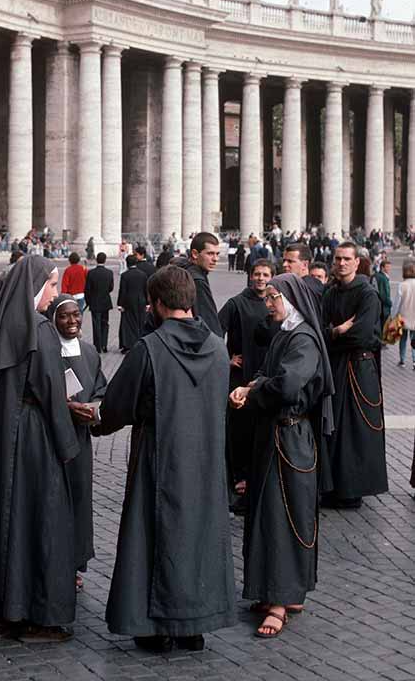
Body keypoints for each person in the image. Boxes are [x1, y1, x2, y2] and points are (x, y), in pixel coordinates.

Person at [98, 265, 237, 651]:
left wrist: (93, 421)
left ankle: (155, 629)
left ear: (157, 304)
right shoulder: (217, 348)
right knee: (200, 537)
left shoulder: (150, 348)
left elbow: (117, 406)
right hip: (207, 461)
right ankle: (193, 626)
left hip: (159, 457)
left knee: (152, 538)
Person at [0, 256, 80, 643]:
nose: (57, 294)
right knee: (37, 523)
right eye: (54, 285)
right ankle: (32, 614)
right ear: (36, 286)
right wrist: (68, 445)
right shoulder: (39, 332)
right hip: (31, 442)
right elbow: (51, 395)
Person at [229, 274, 334, 638]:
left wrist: (254, 393)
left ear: (289, 300)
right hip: (274, 435)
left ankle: (280, 601)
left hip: (290, 438)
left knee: (282, 515)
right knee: (266, 511)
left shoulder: (302, 339)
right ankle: (280, 591)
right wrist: (250, 385)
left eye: (273, 297)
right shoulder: (284, 334)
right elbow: (268, 374)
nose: (268, 303)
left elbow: (288, 384)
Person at [321, 242, 388, 509]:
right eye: (337, 258)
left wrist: (333, 335)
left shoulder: (368, 294)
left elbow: (362, 335)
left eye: (347, 259)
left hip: (359, 369)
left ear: (356, 263)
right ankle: (334, 486)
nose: (341, 263)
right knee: (335, 425)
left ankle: (353, 489)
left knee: (355, 430)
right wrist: (336, 332)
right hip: (337, 366)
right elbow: (322, 329)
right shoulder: (330, 292)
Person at [47, 295, 107, 591]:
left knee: (80, 502)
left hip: (81, 439)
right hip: (52, 440)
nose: (72, 321)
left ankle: (73, 563)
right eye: (64, 316)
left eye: (76, 315)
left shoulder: (89, 351)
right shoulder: (46, 352)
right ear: (53, 320)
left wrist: (94, 408)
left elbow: (100, 387)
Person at [218, 260, 277, 510]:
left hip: (266, 377)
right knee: (239, 431)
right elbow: (213, 333)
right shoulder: (235, 304)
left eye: (265, 274)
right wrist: (226, 358)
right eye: (257, 274)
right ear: (250, 276)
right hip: (240, 377)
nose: (261, 278)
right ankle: (239, 479)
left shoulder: (276, 304)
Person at [185, 232, 222, 336]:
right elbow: (208, 321)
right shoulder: (197, 281)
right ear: (195, 254)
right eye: (210, 254)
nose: (215, 259)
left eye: (217, 254)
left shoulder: (185, 272)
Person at [84, 252, 114, 353]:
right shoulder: (109, 273)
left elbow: (87, 290)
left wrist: (89, 302)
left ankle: (97, 346)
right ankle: (104, 345)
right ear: (105, 260)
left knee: (96, 324)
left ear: (97, 260)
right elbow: (111, 287)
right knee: (105, 323)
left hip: (95, 302)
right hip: (105, 301)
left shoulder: (91, 273)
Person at [283, 243, 323, 316]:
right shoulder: (295, 284)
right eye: (284, 261)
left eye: (290, 261)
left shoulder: (307, 288)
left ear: (305, 264)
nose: (284, 265)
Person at [117, 255, 147, 352]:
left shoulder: (125, 275)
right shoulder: (143, 274)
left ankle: (128, 344)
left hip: (129, 301)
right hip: (141, 300)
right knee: (140, 322)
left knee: (128, 323)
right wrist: (147, 302)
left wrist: (120, 304)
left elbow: (123, 290)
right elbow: (145, 289)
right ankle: (140, 342)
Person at [391, 259, 415, 369]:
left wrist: (393, 316)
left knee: (403, 339)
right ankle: (414, 360)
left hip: (403, 317)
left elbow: (397, 303)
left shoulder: (402, 285)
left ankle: (402, 359)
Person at [373, 259, 392, 334]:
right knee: (383, 325)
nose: (389, 269)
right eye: (387, 267)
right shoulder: (383, 278)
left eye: (389, 267)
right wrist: (390, 304)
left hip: (377, 304)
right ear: (382, 267)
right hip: (383, 306)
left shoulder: (377, 275)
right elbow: (384, 294)